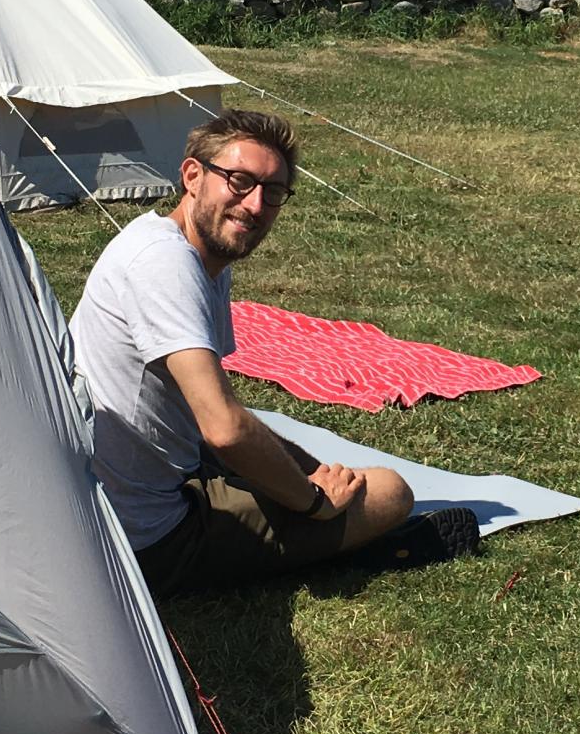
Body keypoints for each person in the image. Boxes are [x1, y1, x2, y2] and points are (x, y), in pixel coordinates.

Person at [72, 108, 479, 596]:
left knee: (310, 469)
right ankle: (349, 546)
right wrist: (312, 501)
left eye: (274, 193)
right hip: (144, 536)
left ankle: (327, 535)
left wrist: (310, 472)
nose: (255, 205)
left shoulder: (190, 252)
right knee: (391, 493)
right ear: (193, 176)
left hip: (114, 493)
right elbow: (223, 429)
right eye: (240, 181)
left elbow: (211, 418)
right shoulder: (165, 266)